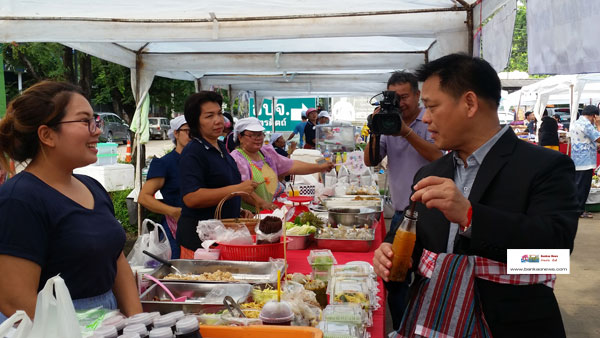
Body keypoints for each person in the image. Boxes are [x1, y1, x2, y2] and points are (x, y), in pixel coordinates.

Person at [374, 54, 578, 337]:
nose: (427, 118)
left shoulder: (545, 167)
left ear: (470, 103)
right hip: (432, 318)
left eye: (432, 107)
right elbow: (413, 242)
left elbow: (553, 257)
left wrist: (471, 218)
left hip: (510, 324)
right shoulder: (430, 173)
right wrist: (389, 254)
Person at [0, 81, 142, 322]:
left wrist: (138, 323)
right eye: (85, 121)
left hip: (106, 323)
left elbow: (115, 259)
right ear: (47, 135)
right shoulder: (20, 199)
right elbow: (15, 300)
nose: (97, 130)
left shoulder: (92, 187)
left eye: (95, 120)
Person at [363, 71, 443, 330]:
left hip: (433, 215)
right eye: (393, 97)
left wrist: (405, 131)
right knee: (394, 280)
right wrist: (375, 130)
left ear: (418, 95)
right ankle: (401, 329)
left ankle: (424, 328)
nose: (400, 103)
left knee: (429, 279)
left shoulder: (431, 120)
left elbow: (439, 158)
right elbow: (371, 161)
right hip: (401, 214)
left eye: (405, 96)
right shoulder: (388, 123)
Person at [177, 92, 258, 258]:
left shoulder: (221, 147)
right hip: (200, 243)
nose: (218, 120)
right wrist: (237, 190)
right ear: (195, 121)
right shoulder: (193, 152)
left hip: (222, 236)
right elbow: (192, 197)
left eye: (219, 113)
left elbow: (218, 187)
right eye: (209, 116)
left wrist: (237, 209)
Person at [231, 117, 334, 211]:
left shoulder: (266, 153)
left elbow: (292, 165)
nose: (258, 138)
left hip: (268, 211)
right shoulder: (237, 158)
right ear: (240, 137)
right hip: (250, 215)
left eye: (260, 134)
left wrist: (320, 167)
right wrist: (263, 204)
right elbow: (243, 191)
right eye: (252, 135)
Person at [138, 115, 191, 259]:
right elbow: (144, 197)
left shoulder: (201, 162)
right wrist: (173, 211)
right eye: (188, 131)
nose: (192, 136)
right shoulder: (164, 163)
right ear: (176, 133)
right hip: (175, 229)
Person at [569, 105, 600, 219]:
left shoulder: (577, 123)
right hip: (585, 159)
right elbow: (598, 137)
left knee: (578, 185)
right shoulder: (587, 124)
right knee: (583, 186)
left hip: (577, 159)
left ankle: (577, 209)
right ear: (594, 116)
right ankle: (579, 210)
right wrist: (598, 124)